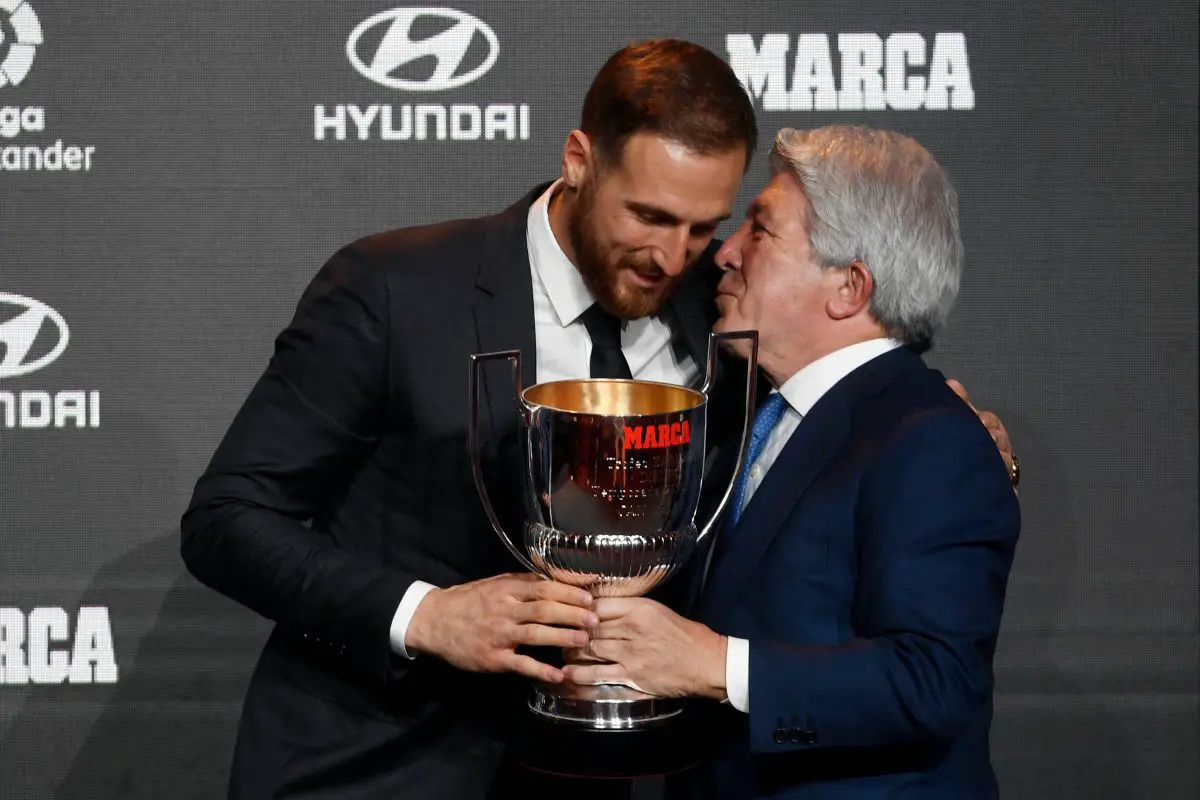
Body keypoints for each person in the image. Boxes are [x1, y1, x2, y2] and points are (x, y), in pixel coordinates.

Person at [181, 38, 1015, 799]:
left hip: (594, 775)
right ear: (580, 160)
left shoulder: (719, 318)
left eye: (705, 227)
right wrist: (427, 615)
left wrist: (946, 419)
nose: (674, 255)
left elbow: (839, 402)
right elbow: (227, 519)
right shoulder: (398, 288)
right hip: (372, 763)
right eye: (648, 217)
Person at [563, 126, 1023, 799]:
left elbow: (935, 680)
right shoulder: (755, 419)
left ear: (849, 287)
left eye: (761, 230)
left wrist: (714, 664)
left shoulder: (932, 439)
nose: (723, 253)